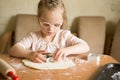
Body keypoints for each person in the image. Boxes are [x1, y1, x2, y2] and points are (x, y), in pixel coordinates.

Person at [8, 0, 89, 63]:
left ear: (62, 21)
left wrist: (67, 50)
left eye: (56, 25)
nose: (51, 29)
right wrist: (29, 54)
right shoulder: (33, 37)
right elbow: (13, 50)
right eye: (46, 24)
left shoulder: (64, 36)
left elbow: (85, 46)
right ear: (38, 19)